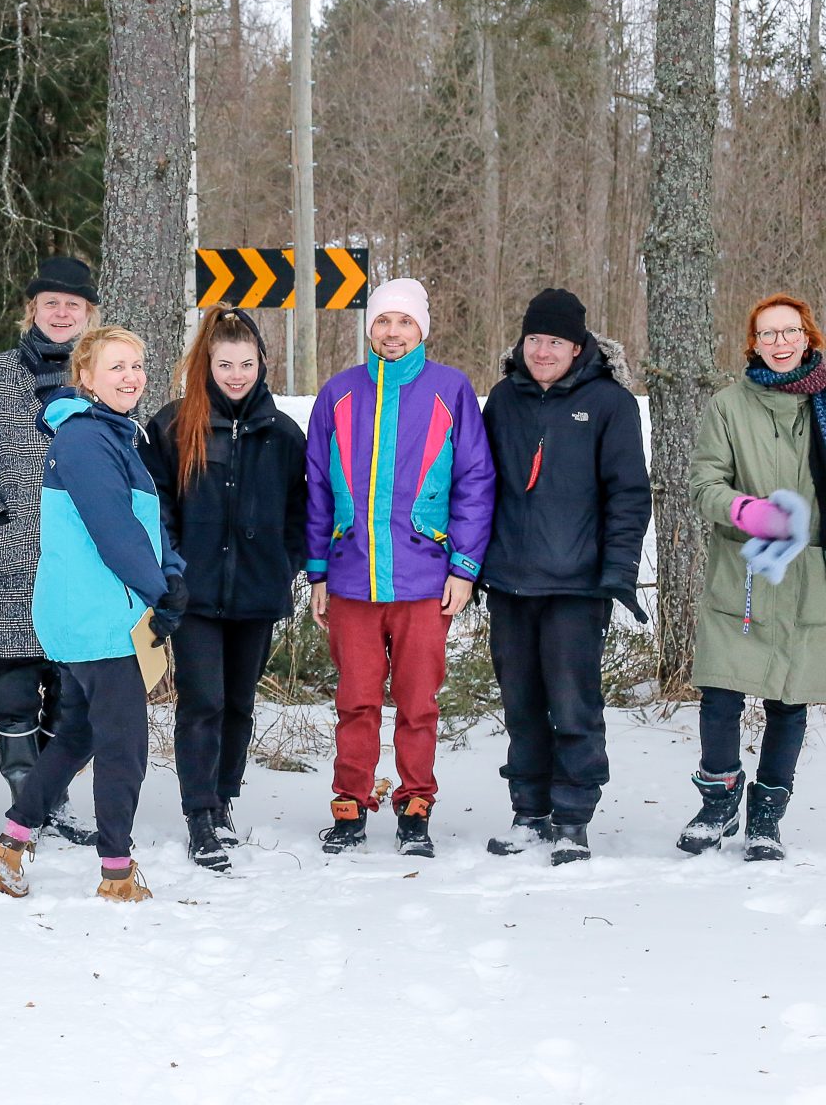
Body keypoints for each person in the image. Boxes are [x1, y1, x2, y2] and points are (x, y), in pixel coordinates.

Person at [0, 328, 185, 902]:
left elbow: (147, 524)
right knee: (124, 748)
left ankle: (11, 846)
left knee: (76, 737)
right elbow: (112, 529)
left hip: (95, 614)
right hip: (97, 620)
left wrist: (172, 574)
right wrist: (159, 592)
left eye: (137, 366)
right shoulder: (85, 439)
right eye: (116, 367)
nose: (131, 377)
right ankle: (116, 872)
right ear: (85, 378)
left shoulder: (117, 435)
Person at [305, 279, 494, 857]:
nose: (392, 332)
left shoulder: (450, 390)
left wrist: (464, 567)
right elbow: (316, 485)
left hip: (424, 579)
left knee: (418, 703)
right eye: (383, 321)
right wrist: (316, 571)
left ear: (422, 329)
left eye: (404, 322)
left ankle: (416, 805)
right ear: (369, 329)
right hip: (352, 578)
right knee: (355, 700)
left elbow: (475, 482)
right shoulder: (339, 392)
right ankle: (350, 805)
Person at [480, 289, 650, 865]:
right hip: (509, 581)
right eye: (534, 339)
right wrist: (472, 566)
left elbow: (629, 496)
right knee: (522, 703)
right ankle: (529, 811)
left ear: (579, 347)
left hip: (577, 586)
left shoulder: (610, 404)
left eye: (555, 341)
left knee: (574, 703)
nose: (543, 351)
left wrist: (618, 572)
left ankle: (572, 818)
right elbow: (479, 487)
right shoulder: (503, 400)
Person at [142, 308, 306, 871]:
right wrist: (172, 568)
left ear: (262, 364)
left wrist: (286, 564)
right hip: (195, 591)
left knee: (238, 703)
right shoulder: (172, 425)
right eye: (224, 363)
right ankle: (199, 814)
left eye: (246, 363)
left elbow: (301, 510)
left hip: (257, 592)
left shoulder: (282, 433)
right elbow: (157, 504)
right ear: (205, 365)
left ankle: (225, 800)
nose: (236, 374)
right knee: (203, 701)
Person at [0, 256, 103, 846]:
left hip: (83, 566)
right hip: (16, 559)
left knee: (72, 696)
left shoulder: (105, 376)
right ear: (32, 310)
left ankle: (54, 801)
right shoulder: (0, 375)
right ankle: (26, 801)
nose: (62, 312)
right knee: (14, 692)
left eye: (73, 304)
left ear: (89, 314)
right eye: (51, 302)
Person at [677, 293, 826, 862]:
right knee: (720, 691)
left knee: (791, 700)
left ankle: (767, 815)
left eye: (790, 332)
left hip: (809, 573)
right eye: (768, 334)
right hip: (742, 568)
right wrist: (747, 511)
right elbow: (702, 483)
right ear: (753, 343)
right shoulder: (727, 406)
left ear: (807, 337)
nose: (780, 342)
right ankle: (718, 801)